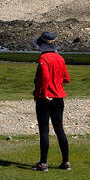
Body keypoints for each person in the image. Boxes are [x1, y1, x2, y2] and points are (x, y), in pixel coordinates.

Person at [32, 31, 70, 171]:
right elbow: (66, 78)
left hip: (45, 98)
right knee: (59, 129)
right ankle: (65, 162)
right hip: (59, 97)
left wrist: (44, 93)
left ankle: (43, 163)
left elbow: (45, 77)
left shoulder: (43, 58)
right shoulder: (60, 58)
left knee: (44, 130)